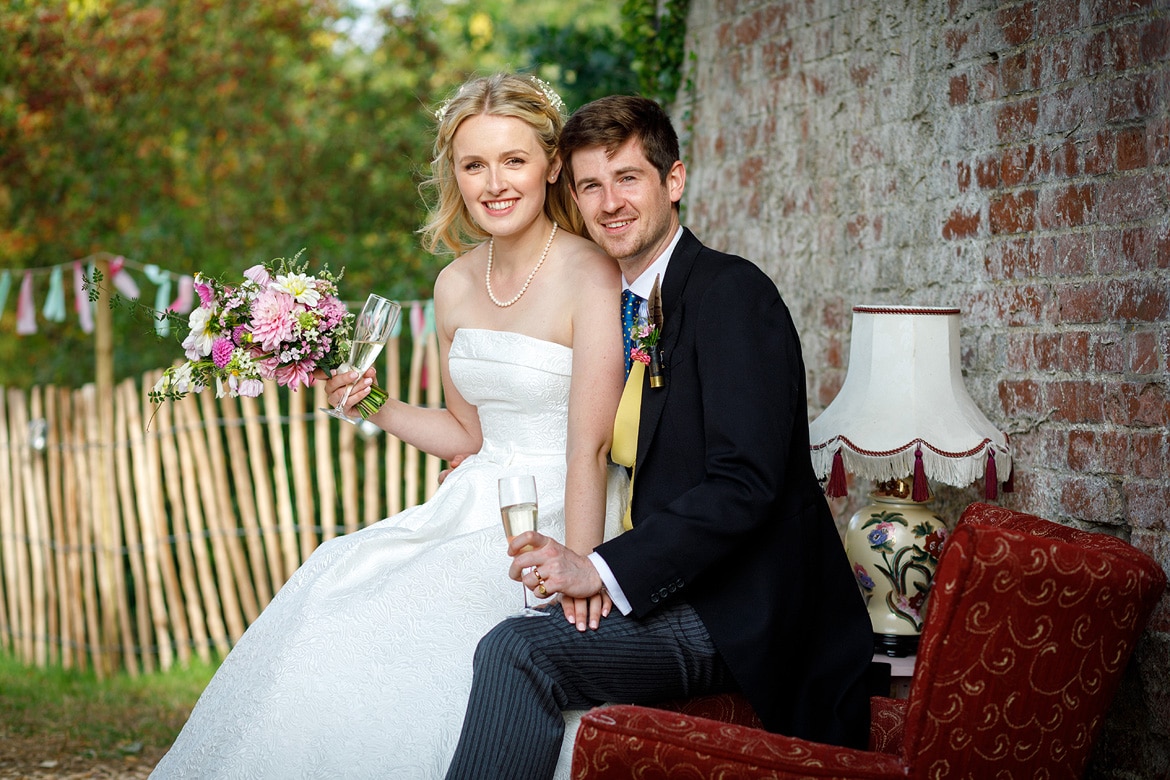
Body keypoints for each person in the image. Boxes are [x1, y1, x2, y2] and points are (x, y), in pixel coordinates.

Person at [150, 73, 627, 779]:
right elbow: (468, 437)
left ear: (552, 164)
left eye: (514, 160)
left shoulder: (593, 272)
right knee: (335, 585)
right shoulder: (456, 283)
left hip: (566, 505)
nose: (494, 183)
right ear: (454, 175)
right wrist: (368, 402)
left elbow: (589, 447)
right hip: (477, 499)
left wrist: (580, 569)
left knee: (413, 621)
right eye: (473, 165)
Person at [444, 95, 874, 779]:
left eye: (628, 178)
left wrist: (602, 571)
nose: (609, 202)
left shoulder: (732, 293)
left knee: (517, 649)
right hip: (670, 584)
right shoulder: (623, 300)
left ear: (673, 182)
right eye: (590, 184)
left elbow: (745, 485)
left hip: (734, 608)